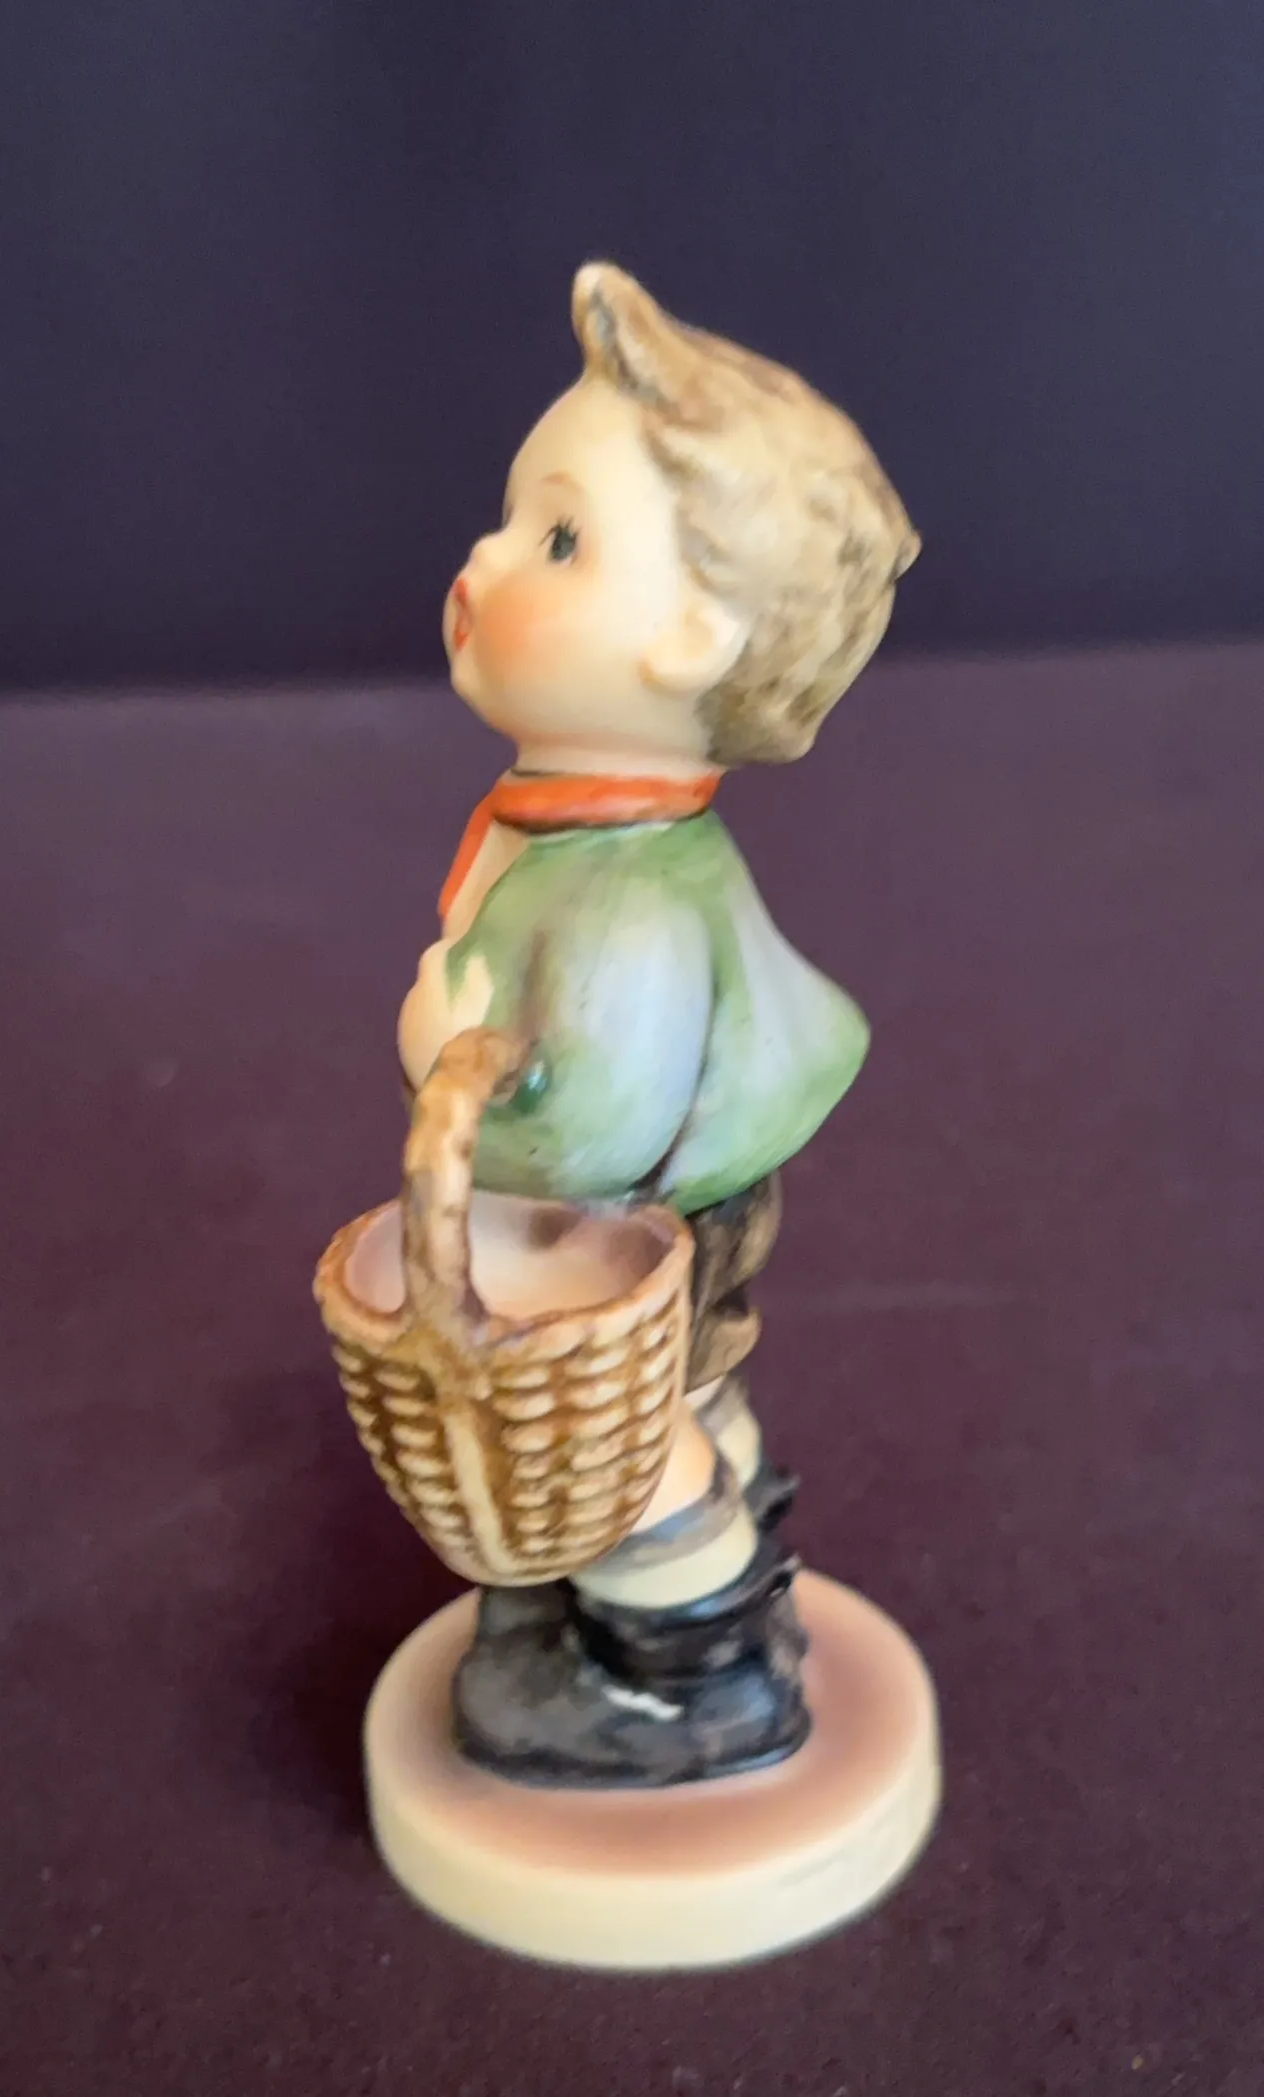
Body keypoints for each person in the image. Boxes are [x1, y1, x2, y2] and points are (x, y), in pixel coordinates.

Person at [397, 262, 918, 1785]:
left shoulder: (622, 902)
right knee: (681, 1383)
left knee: (616, 1440)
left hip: (627, 1210)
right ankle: (713, 1526)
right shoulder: (582, 832)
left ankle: (689, 1666)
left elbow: (588, 1134)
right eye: (514, 519)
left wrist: (441, 1043)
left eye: (558, 539)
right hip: (674, 1204)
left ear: (691, 639)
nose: (488, 556)